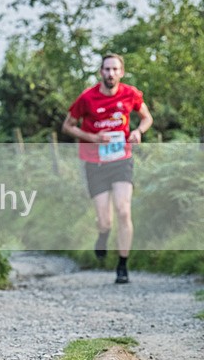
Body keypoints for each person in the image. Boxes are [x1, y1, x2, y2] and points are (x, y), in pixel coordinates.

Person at [62, 53, 153, 284]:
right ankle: (103, 235)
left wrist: (137, 132)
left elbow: (146, 118)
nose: (110, 73)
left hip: (122, 159)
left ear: (121, 73)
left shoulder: (130, 94)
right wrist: (92, 137)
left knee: (123, 210)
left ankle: (122, 265)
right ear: (101, 72)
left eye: (115, 69)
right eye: (107, 69)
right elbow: (68, 126)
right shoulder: (87, 98)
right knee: (105, 220)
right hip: (95, 163)